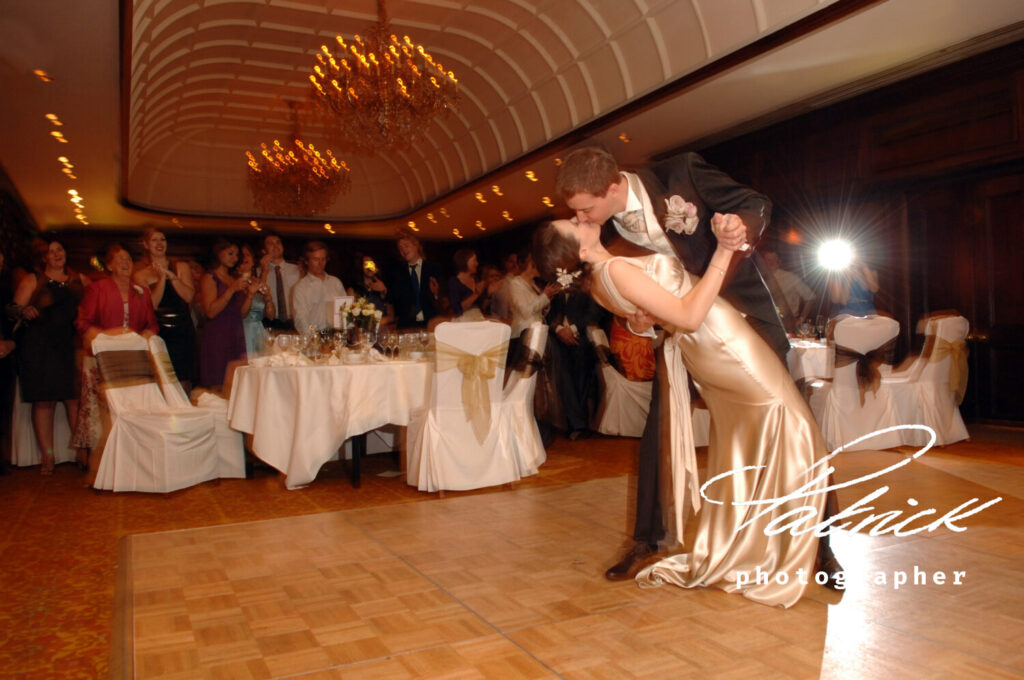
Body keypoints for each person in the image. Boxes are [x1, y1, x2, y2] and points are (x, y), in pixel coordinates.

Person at [554, 146, 842, 586]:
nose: (583, 220)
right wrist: (638, 316)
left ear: (612, 186)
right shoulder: (605, 236)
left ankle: (822, 549)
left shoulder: (680, 174)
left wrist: (738, 226)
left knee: (796, 423)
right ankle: (651, 540)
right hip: (683, 334)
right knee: (660, 430)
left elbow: (756, 203)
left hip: (740, 317)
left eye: (586, 209)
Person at [74, 243, 159, 484]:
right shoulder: (98, 289)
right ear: (109, 265)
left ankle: (133, 468)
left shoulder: (141, 290)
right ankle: (99, 472)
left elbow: (152, 324)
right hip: (103, 360)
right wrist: (107, 336)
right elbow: (83, 323)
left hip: (133, 362)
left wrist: (146, 335)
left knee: (132, 411)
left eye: (129, 258)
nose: (125, 262)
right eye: (120, 259)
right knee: (105, 416)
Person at [12, 237, 88, 474]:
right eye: (51, 251)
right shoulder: (34, 280)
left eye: (60, 249)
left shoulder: (79, 280)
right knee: (44, 402)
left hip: (70, 346)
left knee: (75, 400)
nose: (57, 254)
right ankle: (48, 457)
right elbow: (11, 308)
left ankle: (81, 452)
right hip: (39, 347)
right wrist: (24, 310)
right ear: (44, 257)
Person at [133, 228, 197, 390]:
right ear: (146, 244)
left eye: (163, 239)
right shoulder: (140, 275)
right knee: (163, 381)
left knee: (184, 380)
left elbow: (188, 296)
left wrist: (171, 276)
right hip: (159, 331)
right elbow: (152, 304)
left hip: (182, 329)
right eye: (154, 240)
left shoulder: (180, 266)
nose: (160, 243)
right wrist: (161, 278)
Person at [198, 239, 247, 391]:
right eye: (230, 253)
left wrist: (250, 295)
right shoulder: (210, 277)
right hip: (218, 334)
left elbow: (241, 314)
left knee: (237, 383)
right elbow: (211, 311)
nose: (235, 258)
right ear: (218, 253)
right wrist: (231, 289)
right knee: (217, 381)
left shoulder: (235, 278)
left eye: (237, 255)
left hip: (236, 332)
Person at [505, 250, 559, 361]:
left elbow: (539, 311)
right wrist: (544, 296)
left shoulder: (534, 285)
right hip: (524, 336)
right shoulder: (515, 284)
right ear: (530, 264)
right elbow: (525, 311)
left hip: (537, 333)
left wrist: (547, 299)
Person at [388, 229, 441, 329]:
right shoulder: (397, 273)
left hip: (430, 324)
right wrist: (384, 291)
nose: (403, 250)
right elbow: (394, 300)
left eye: (406, 245)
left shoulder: (433, 268)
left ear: (416, 245)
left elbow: (445, 302)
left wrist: (436, 294)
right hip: (406, 326)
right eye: (400, 248)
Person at [291, 240, 345, 332]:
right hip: (314, 334)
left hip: (336, 334)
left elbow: (345, 312)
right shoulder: (301, 287)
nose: (320, 264)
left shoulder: (335, 282)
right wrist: (312, 339)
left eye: (323, 259)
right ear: (307, 261)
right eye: (316, 259)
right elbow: (300, 319)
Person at [235, 244, 275, 356]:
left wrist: (268, 297)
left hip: (259, 331)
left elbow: (271, 316)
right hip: (242, 331)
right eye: (242, 255)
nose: (245, 258)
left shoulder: (257, 282)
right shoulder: (234, 283)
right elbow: (241, 315)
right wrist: (250, 295)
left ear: (253, 260)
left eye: (247, 255)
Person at [260, 231, 300, 330]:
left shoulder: (297, 270)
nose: (275, 246)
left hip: (293, 321)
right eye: (270, 244)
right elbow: (258, 297)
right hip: (269, 321)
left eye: (278, 242)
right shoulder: (259, 273)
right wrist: (263, 272)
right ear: (264, 251)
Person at [347, 253, 393, 326]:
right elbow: (349, 317)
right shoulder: (353, 289)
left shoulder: (384, 286)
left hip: (382, 329)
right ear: (361, 267)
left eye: (371, 263)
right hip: (361, 331)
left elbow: (391, 316)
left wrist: (384, 291)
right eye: (366, 264)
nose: (369, 267)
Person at [448, 249, 486, 317]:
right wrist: (477, 293)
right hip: (463, 320)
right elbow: (457, 309)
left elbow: (482, 307)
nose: (477, 264)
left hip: (479, 317)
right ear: (464, 261)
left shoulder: (476, 279)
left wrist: (489, 294)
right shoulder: (454, 282)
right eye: (474, 260)